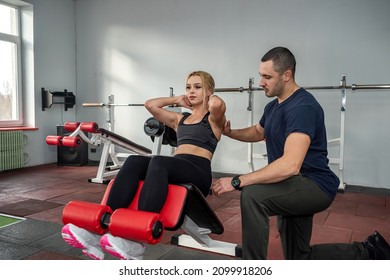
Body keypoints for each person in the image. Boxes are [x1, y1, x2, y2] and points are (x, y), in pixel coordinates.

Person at [211, 47, 390, 260]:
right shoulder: (272, 107)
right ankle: (369, 251)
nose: (261, 82)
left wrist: (237, 181)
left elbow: (290, 165)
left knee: (252, 196)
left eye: (267, 77)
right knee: (298, 259)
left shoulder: (302, 107)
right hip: (291, 184)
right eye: (261, 75)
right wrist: (229, 132)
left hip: (313, 185)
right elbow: (259, 132)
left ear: (287, 75)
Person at [62, 70, 226, 260]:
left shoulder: (214, 120)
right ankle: (101, 227)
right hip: (177, 166)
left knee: (158, 161)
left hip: (198, 171)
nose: (191, 91)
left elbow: (217, 105)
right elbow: (150, 104)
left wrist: (210, 97)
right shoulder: (179, 120)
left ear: (209, 91)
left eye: (198, 87)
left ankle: (136, 241)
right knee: (134, 161)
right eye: (188, 87)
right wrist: (177, 100)